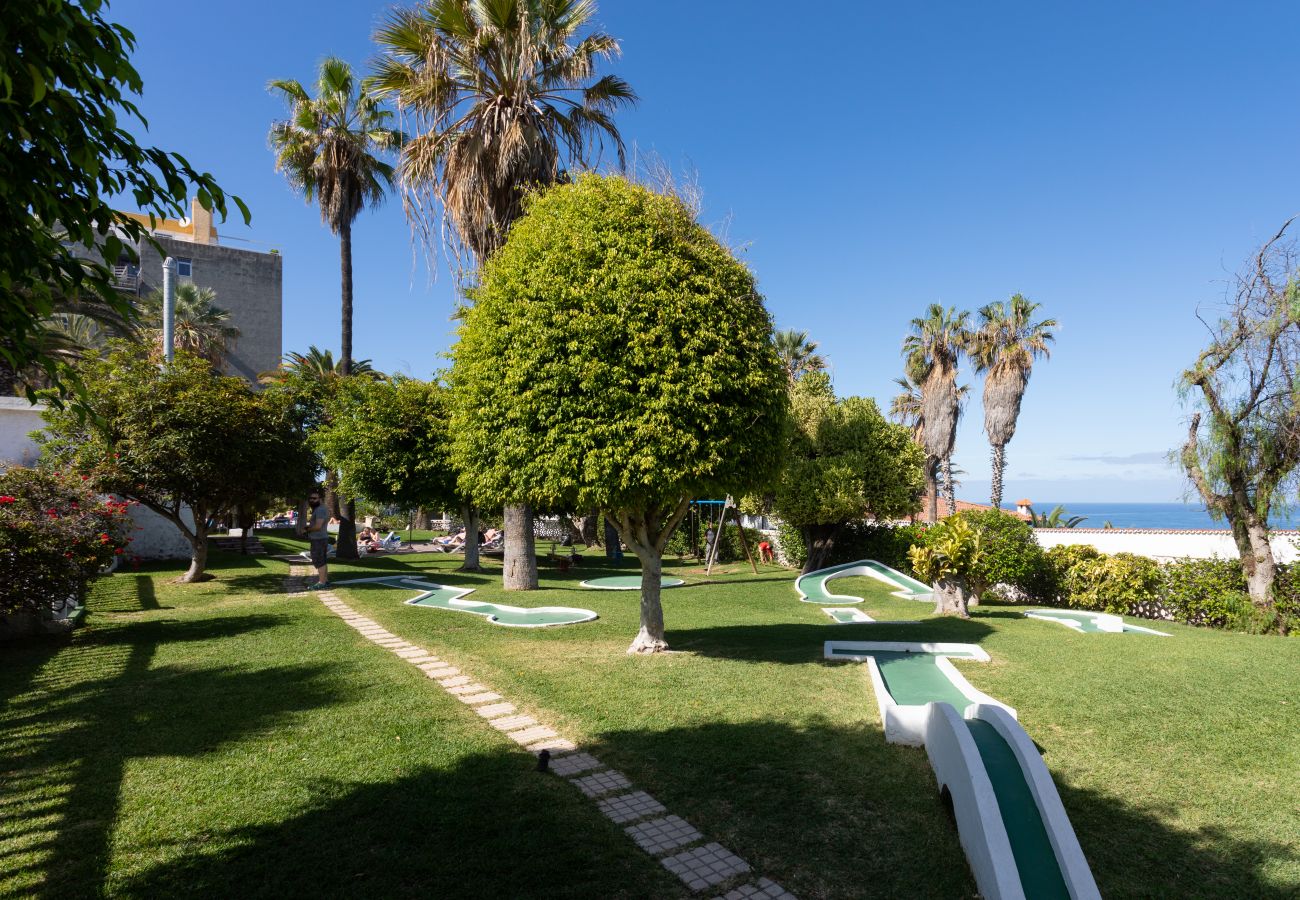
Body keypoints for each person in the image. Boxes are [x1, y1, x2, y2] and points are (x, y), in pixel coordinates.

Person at [305, 490, 330, 589]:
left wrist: (308, 529)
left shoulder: (320, 509)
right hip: (320, 539)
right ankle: (325, 581)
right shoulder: (319, 509)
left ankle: (322, 583)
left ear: (320, 499)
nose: (312, 500)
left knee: (319, 561)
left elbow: (318, 526)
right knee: (322, 560)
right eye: (310, 498)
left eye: (314, 498)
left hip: (319, 539)